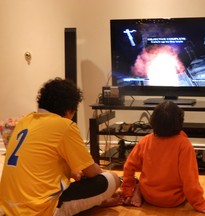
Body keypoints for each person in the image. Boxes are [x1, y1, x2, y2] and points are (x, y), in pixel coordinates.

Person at [0, 77, 122, 215]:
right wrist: (108, 185)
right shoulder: (65, 126)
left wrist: (72, 172)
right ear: (69, 110)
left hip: (7, 206)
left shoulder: (25, 120)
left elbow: (43, 162)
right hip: (39, 209)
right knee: (113, 179)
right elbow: (92, 172)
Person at [121, 101, 205, 214]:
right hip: (173, 199)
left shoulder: (145, 140)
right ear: (180, 122)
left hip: (149, 196)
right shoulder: (184, 144)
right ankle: (138, 189)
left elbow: (129, 167)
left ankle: (138, 189)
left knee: (140, 179)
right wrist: (199, 204)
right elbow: (190, 179)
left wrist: (127, 191)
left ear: (153, 121)